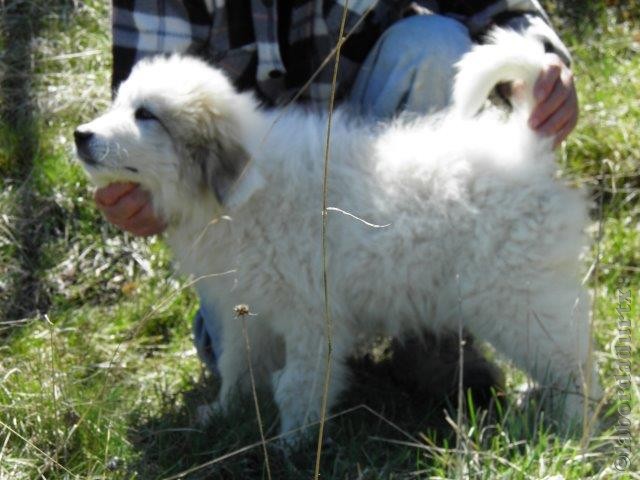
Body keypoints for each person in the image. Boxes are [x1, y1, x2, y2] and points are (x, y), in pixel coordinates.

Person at [98, 0, 578, 377]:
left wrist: (539, 70)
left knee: (433, 46)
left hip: (383, 197)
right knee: (251, 362)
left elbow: (498, 7)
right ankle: (320, 341)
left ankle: (430, 331)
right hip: (250, 225)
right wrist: (141, 195)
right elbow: (141, 117)